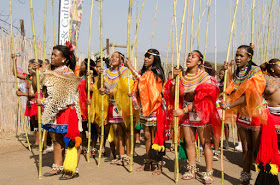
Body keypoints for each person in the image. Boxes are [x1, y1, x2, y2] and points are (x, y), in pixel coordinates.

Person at [35, 43, 82, 180]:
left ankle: (71, 169)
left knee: (71, 141)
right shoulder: (50, 72)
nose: (52, 56)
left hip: (67, 111)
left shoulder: (68, 74)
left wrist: (43, 102)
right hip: (54, 112)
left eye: (55, 55)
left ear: (64, 59)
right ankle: (57, 166)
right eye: (52, 54)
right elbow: (37, 86)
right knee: (55, 139)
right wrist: (38, 72)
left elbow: (62, 98)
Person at [172, 50, 221, 184]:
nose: (189, 58)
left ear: (199, 62)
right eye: (188, 56)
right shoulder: (181, 76)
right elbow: (174, 94)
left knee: (206, 144)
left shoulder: (204, 77)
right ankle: (192, 169)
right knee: (189, 142)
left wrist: (184, 110)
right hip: (186, 112)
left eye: (193, 57)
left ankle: (208, 172)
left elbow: (202, 99)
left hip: (201, 112)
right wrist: (174, 80)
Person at [221, 45, 266, 185]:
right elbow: (232, 90)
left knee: (257, 149)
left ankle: (265, 179)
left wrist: (229, 105)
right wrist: (228, 73)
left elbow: (250, 95)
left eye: (241, 56)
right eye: (236, 55)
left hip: (256, 114)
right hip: (242, 114)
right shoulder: (238, 72)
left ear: (249, 58)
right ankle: (245, 178)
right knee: (246, 149)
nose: (238, 58)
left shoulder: (256, 72)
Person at [127, 49, 166, 175]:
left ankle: (158, 164)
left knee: (156, 137)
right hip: (145, 108)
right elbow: (139, 85)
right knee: (147, 136)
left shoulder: (157, 72)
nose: (146, 59)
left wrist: (131, 67)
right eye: (145, 57)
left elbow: (146, 83)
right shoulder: (143, 72)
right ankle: (148, 161)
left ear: (155, 59)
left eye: (148, 57)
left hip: (155, 107)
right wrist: (134, 93)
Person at [98, 52, 135, 165]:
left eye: (116, 57)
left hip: (123, 104)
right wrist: (99, 77)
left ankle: (128, 156)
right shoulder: (106, 71)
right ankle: (121, 155)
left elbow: (123, 87)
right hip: (112, 104)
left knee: (127, 130)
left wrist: (108, 91)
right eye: (112, 56)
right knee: (116, 130)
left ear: (121, 60)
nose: (113, 58)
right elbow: (101, 86)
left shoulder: (125, 71)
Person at [11, 55, 45, 148]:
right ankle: (37, 142)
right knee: (34, 124)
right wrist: (14, 61)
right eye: (28, 67)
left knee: (40, 123)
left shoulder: (40, 78)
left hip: (37, 103)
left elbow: (36, 93)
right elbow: (15, 73)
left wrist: (22, 94)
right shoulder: (27, 76)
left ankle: (43, 143)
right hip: (30, 104)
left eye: (31, 66)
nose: (29, 68)